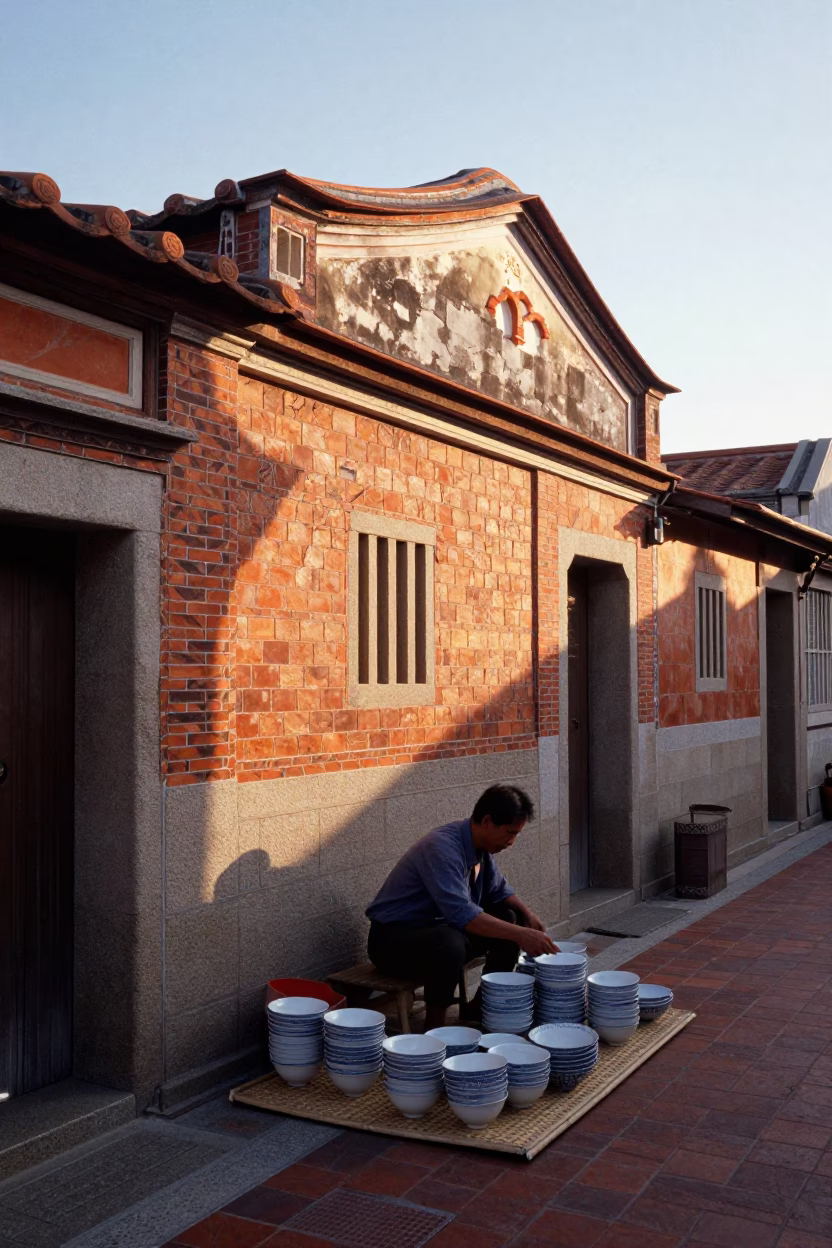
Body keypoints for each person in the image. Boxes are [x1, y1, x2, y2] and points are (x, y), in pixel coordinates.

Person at [366, 783, 557, 1030]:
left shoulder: (482, 849)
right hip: (392, 943)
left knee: (508, 918)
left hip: (437, 932)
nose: (512, 842)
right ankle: (435, 1026)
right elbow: (462, 914)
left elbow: (499, 891)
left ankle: (481, 1006)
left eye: (516, 834)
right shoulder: (441, 847)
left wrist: (526, 916)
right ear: (487, 821)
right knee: (450, 942)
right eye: (510, 833)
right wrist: (522, 935)